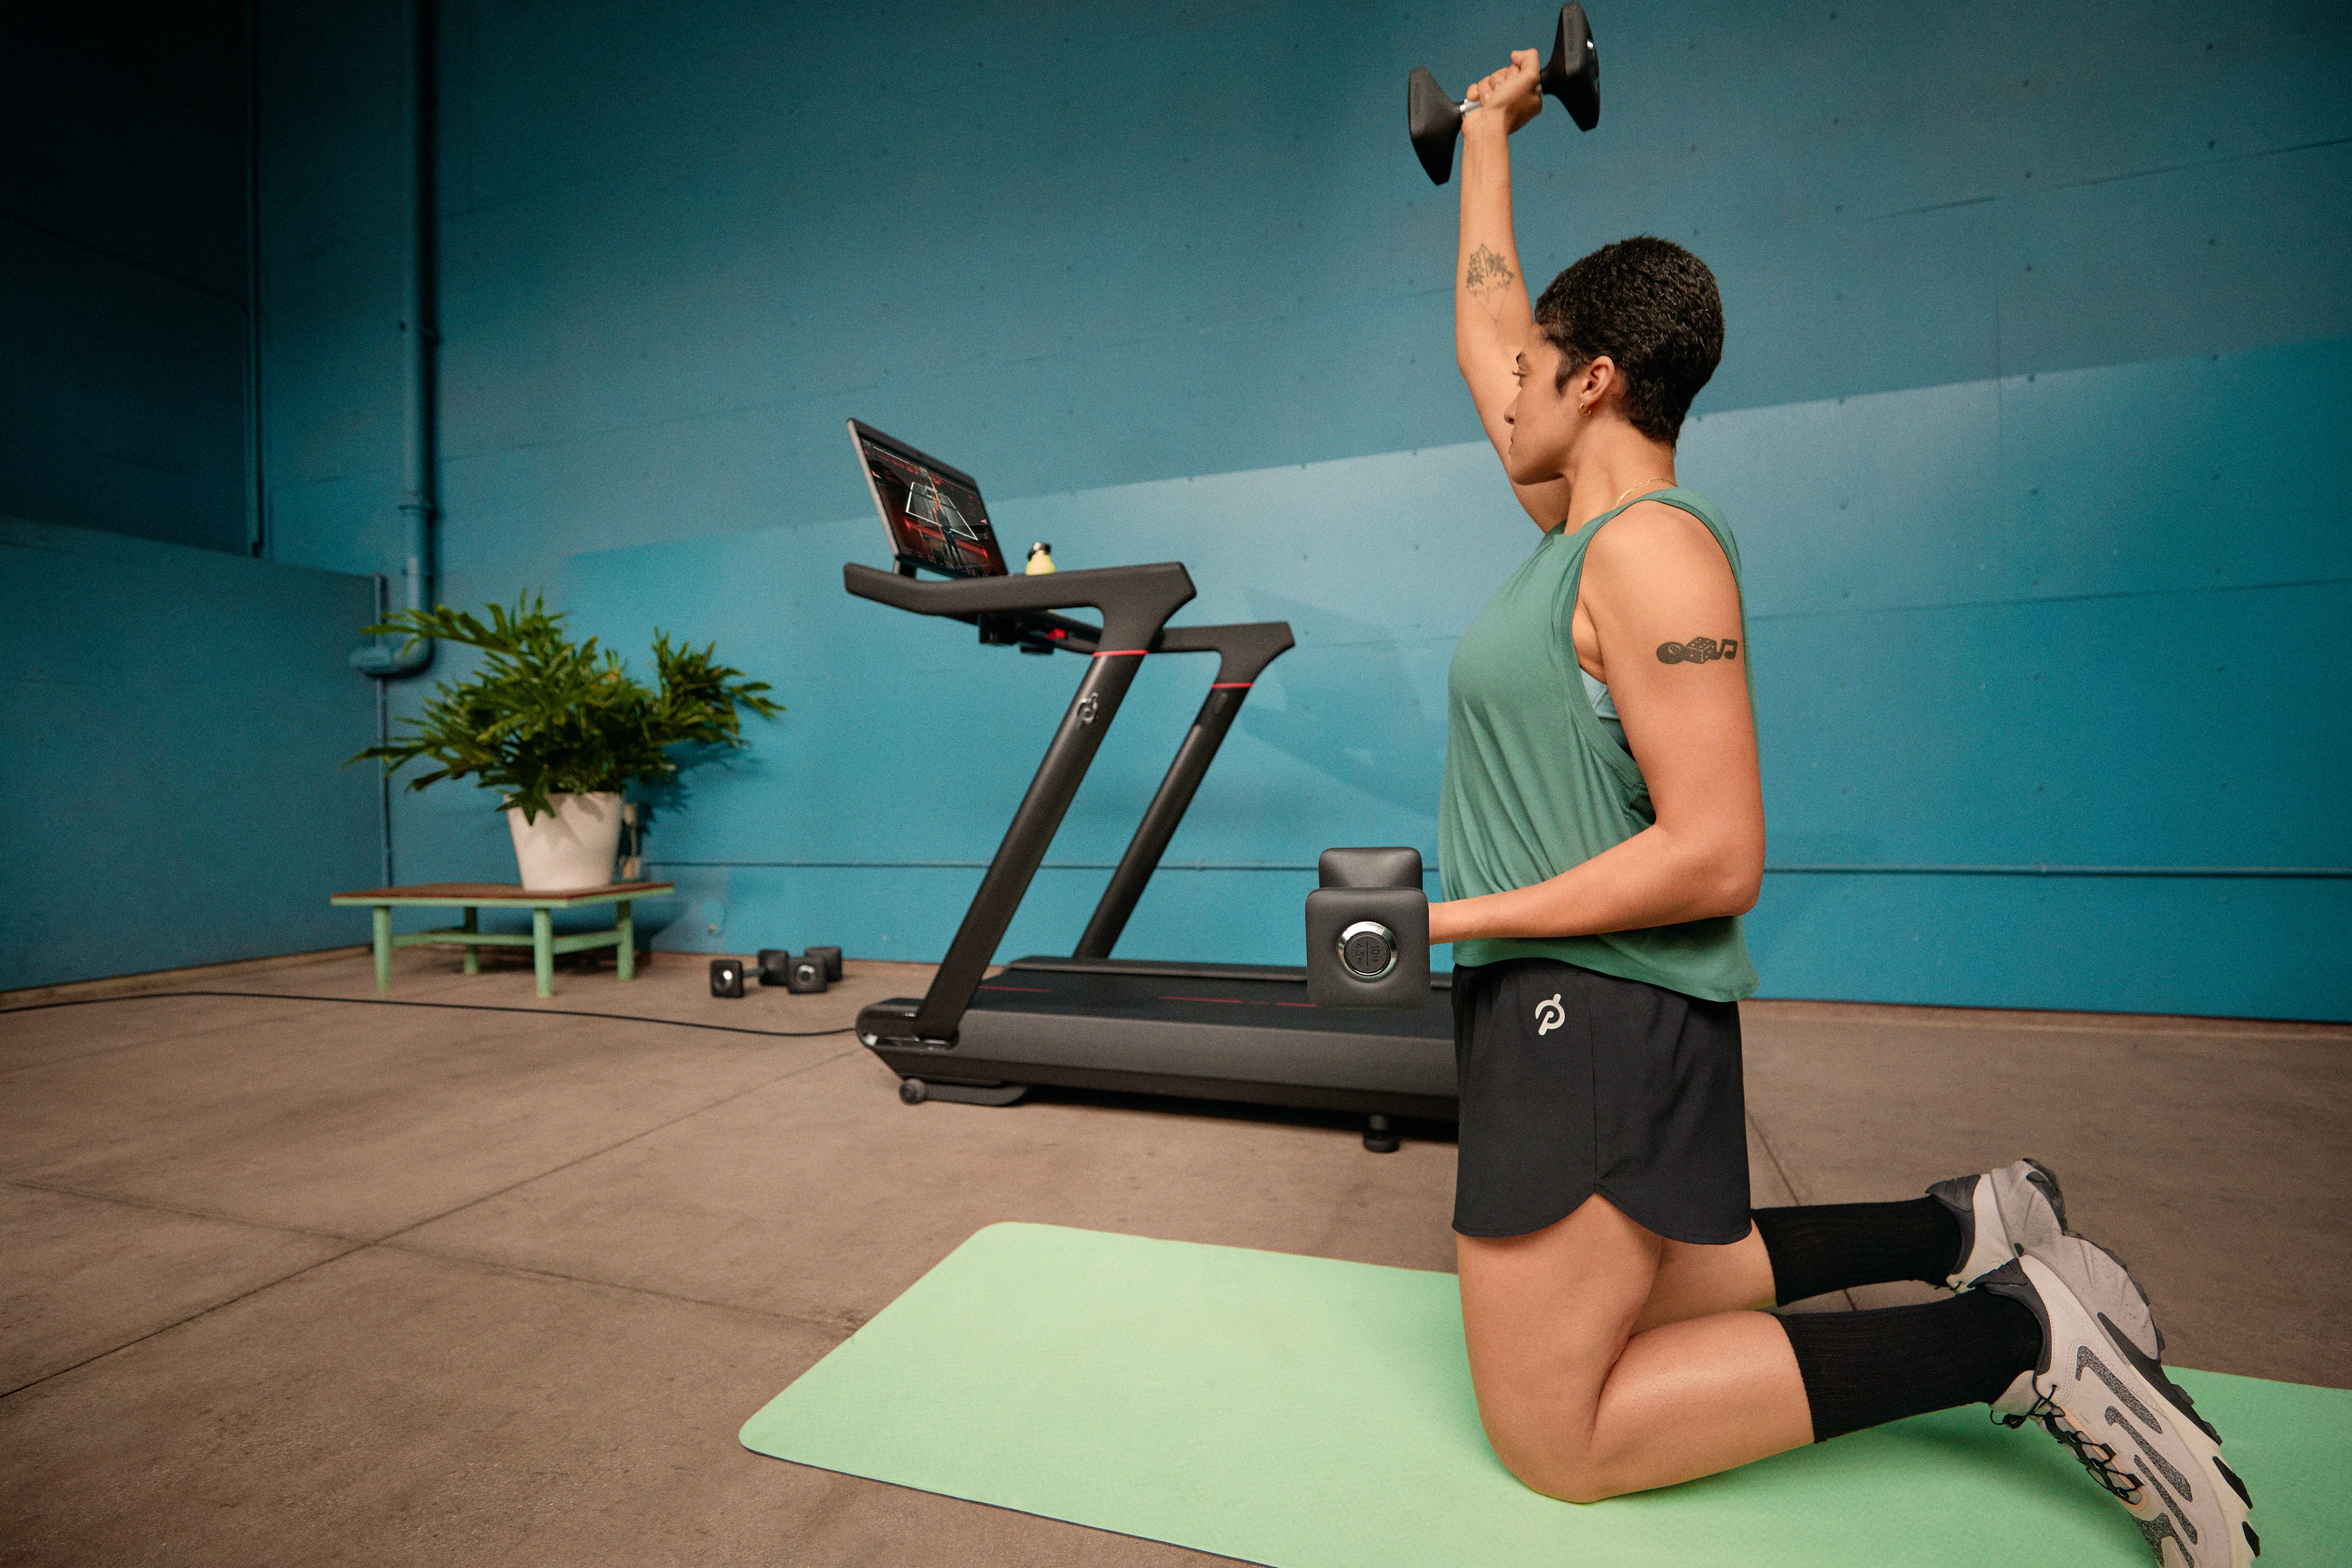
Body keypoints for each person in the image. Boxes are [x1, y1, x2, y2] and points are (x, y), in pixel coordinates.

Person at [1427, 48, 2255, 1567]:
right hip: (1557, 1004)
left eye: (1540, 371)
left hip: (1594, 1012)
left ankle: (2012, 1331)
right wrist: (1489, 132)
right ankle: (1972, 1223)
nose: (1507, 391)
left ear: (1596, 380)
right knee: (1668, 1287)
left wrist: (1444, 917)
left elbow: (1718, 851)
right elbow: (1495, 320)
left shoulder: (1651, 552)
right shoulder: (1574, 529)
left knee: (1563, 1430)